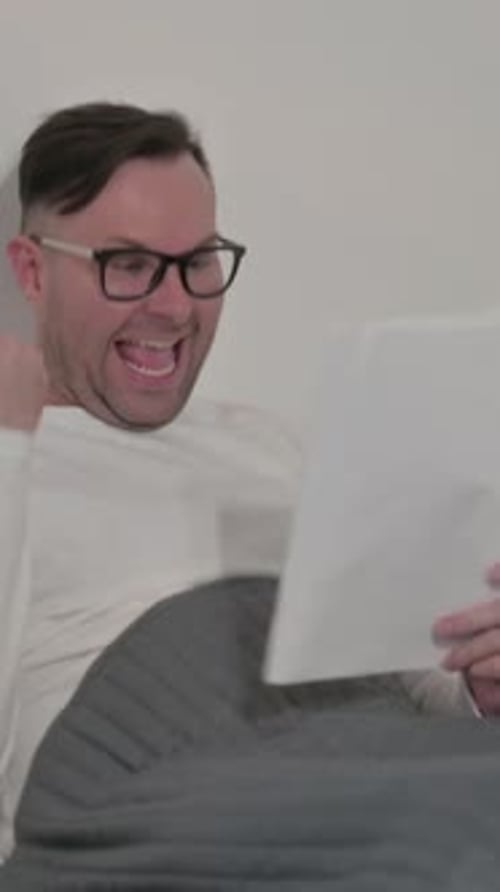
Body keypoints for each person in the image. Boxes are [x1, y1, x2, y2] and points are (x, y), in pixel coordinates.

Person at [1, 100, 500, 860]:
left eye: (198, 262)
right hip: (146, 791)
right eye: (129, 265)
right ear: (32, 271)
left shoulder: (274, 448)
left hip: (347, 763)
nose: (174, 306)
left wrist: (479, 688)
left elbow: (409, 683)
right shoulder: (16, 462)